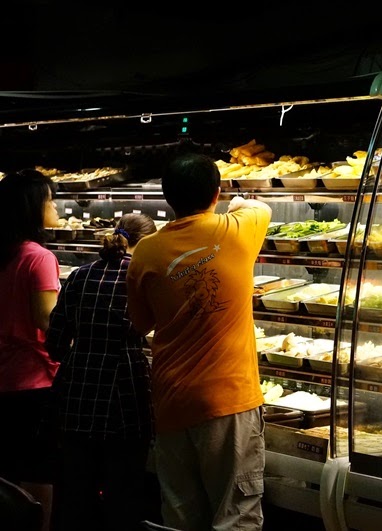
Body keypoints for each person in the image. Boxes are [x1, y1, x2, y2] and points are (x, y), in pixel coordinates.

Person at [126, 152, 272, 531]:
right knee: (235, 515)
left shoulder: (146, 250)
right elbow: (259, 206)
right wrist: (235, 204)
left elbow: (140, 323)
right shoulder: (237, 229)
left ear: (167, 197)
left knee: (181, 518)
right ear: (216, 194)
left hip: (172, 400)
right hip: (229, 399)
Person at [45, 213, 159, 531]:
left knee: (76, 496)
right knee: (124, 496)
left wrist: (81, 355)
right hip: (128, 397)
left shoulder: (79, 276)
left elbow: (54, 342)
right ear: (147, 244)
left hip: (77, 397)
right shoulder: (142, 278)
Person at [0, 168, 62, 531]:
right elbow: (46, 320)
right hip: (35, 381)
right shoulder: (38, 257)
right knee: (39, 472)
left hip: (6, 376)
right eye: (50, 200)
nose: (55, 207)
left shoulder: (5, 254)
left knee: (9, 472)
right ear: (31, 207)